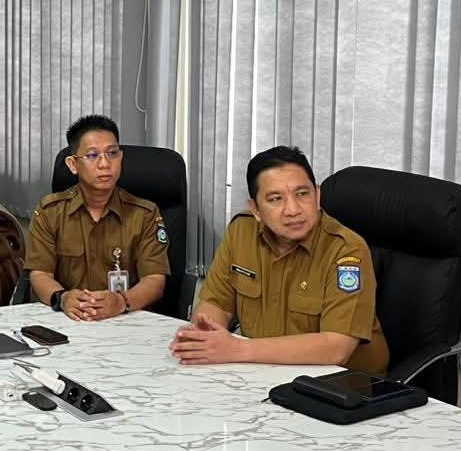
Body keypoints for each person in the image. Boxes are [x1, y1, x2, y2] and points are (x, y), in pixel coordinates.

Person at [170, 145, 389, 374]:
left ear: (317, 196)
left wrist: (237, 349)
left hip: (341, 385)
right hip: (263, 371)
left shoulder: (346, 250)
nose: (293, 210)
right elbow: (217, 303)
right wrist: (205, 337)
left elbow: (337, 348)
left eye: (302, 194)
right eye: (276, 199)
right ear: (255, 209)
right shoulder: (241, 231)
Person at [26, 115, 170, 321]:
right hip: (68, 320)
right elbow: (40, 274)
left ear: (121, 157)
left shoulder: (145, 214)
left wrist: (121, 301)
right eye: (92, 155)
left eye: (112, 153)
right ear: (73, 164)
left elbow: (155, 280)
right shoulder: (50, 212)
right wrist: (63, 298)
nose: (105, 164)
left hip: (126, 320)